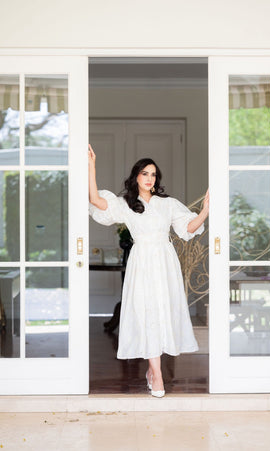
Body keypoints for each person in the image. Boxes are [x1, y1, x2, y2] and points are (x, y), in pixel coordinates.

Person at [88, 144, 209, 398]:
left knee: (162, 312)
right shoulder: (125, 204)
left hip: (165, 262)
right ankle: (157, 373)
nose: (149, 178)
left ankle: (154, 372)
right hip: (141, 262)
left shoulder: (168, 204)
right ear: (136, 177)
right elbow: (96, 201)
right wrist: (91, 166)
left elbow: (188, 228)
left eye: (153, 174)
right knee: (147, 313)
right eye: (145, 173)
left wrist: (206, 211)